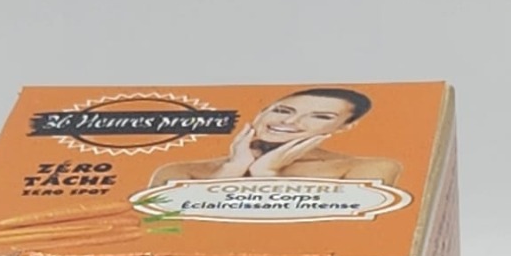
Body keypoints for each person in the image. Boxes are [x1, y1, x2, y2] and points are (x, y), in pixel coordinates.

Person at [148, 88, 401, 186]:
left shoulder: (367, 168)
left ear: (344, 126)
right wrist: (232, 169)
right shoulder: (181, 171)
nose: (289, 122)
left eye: (321, 116)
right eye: (282, 111)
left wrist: (267, 174)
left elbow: (349, 236)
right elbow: (163, 231)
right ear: (261, 113)